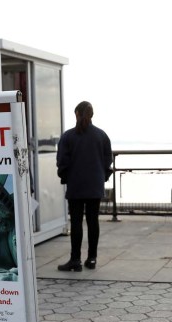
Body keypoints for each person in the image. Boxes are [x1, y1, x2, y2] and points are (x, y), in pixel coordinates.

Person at [56, 101, 113, 272]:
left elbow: (62, 162)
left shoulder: (68, 136)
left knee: (76, 222)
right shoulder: (101, 135)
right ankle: (92, 258)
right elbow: (107, 160)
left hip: (76, 185)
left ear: (77, 114)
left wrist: (66, 177)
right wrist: (100, 177)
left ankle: (75, 260)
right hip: (95, 185)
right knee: (93, 221)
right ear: (91, 115)